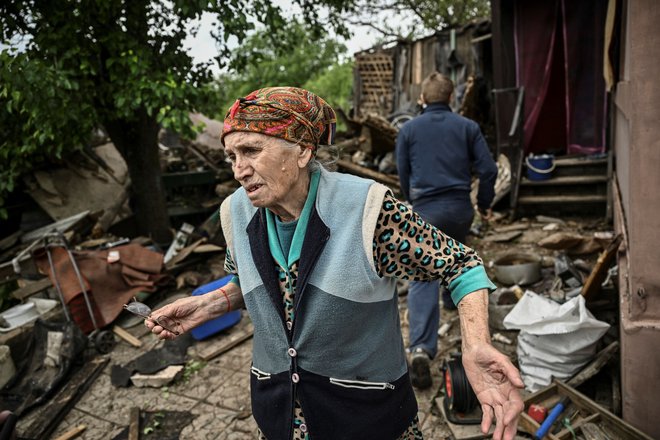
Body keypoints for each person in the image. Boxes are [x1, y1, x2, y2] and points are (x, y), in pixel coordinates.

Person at [145, 86, 522, 440]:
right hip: (279, 412)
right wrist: (209, 304)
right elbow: (257, 281)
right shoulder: (235, 212)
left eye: (252, 150)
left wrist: (475, 344)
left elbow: (460, 264)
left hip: (369, 416)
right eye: (232, 156)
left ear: (303, 151)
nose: (239, 170)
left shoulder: (368, 209)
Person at [395, 72, 499, 391]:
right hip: (459, 210)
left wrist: (413, 201)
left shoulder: (409, 130)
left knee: (423, 274)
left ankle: (422, 349)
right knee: (454, 257)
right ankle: (455, 302)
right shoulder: (467, 127)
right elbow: (489, 169)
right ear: (452, 98)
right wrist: (482, 202)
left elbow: (402, 171)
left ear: (422, 100)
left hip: (426, 209)